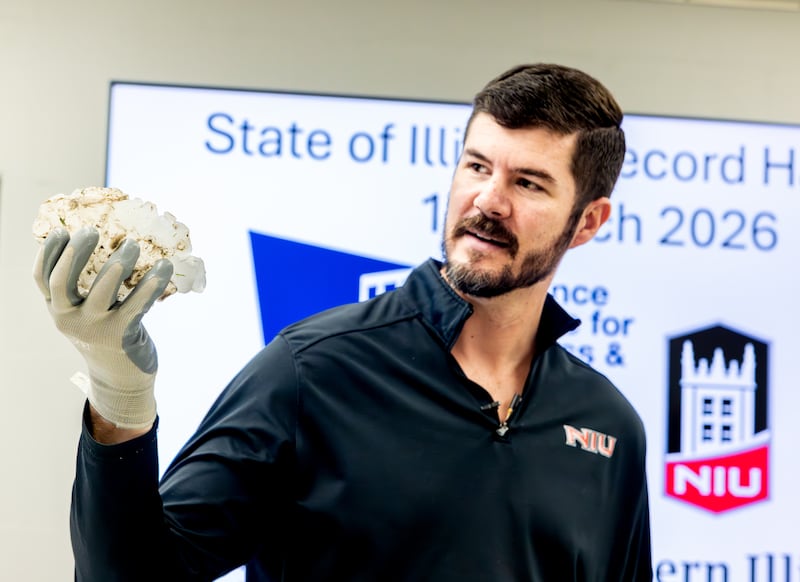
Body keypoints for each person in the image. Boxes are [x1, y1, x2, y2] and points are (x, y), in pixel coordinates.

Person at [35, 63, 652, 581]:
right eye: (477, 166)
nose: (489, 201)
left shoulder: (608, 425)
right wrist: (119, 397)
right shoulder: (313, 369)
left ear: (589, 220)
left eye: (529, 183)